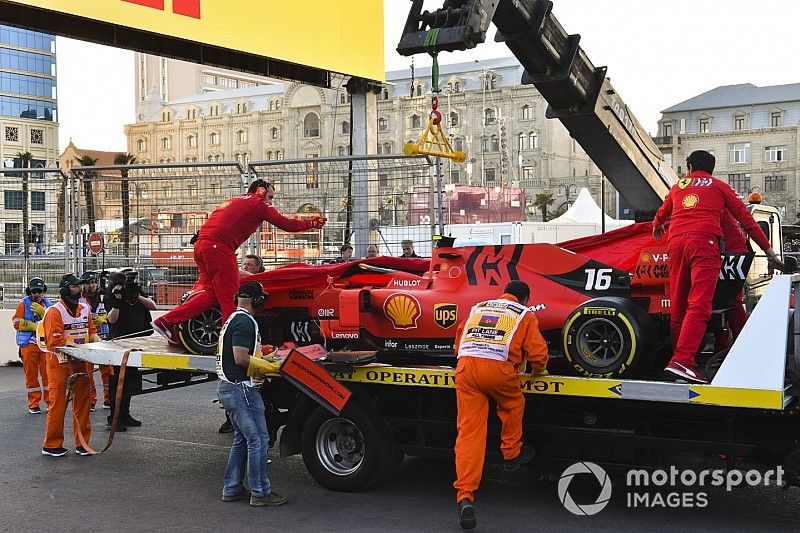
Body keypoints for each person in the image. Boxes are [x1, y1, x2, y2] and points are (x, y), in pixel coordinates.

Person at [652, 150, 784, 383]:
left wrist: (657, 225)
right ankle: (682, 361)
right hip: (705, 245)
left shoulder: (679, 186)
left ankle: (679, 360)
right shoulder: (719, 186)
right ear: (712, 169)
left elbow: (662, 213)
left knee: (678, 306)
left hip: (676, 245)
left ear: (690, 167)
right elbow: (746, 220)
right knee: (701, 305)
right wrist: (769, 252)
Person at [153, 179, 326, 344]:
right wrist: (312, 223)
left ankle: (166, 321)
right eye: (271, 197)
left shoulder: (233, 200)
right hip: (219, 249)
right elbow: (287, 224)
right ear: (261, 191)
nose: (271, 202)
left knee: (211, 294)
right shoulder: (258, 203)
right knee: (231, 298)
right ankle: (231, 342)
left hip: (201, 247)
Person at [452, 280, 549, 530]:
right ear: (525, 298)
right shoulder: (525, 314)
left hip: (466, 368)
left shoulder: (479, 307)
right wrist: (539, 369)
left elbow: (458, 340)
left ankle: (465, 495)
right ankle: (512, 453)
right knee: (513, 403)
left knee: (469, 434)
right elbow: (538, 355)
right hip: (498, 369)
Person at [217, 282, 287, 507]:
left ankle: (232, 488)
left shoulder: (232, 318)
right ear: (257, 300)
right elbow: (240, 357)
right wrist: (268, 367)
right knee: (258, 439)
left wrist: (261, 359)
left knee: (241, 439)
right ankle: (260, 492)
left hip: (231, 387)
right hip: (242, 389)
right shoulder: (246, 322)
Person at [40, 274, 100, 457]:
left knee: (83, 403)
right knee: (58, 404)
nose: (79, 290)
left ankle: (82, 444)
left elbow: (91, 332)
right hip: (61, 365)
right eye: (75, 287)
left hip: (82, 362)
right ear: (65, 290)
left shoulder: (84, 309)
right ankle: (51, 444)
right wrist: (80, 349)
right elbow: (55, 342)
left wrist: (101, 344)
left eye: (79, 286)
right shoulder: (54, 311)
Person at [106, 270, 157, 430]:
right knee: (119, 382)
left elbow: (153, 306)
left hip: (135, 342)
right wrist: (118, 300)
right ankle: (114, 418)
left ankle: (125, 414)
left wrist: (137, 296)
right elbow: (111, 319)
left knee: (131, 382)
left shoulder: (135, 292)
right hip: (119, 344)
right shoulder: (113, 295)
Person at [12, 277, 52, 414]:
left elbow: (54, 323)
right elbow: (16, 323)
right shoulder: (23, 304)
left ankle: (50, 402)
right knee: (31, 376)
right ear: (29, 292)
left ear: (43, 291)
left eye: (39, 291)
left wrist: (44, 314)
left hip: (45, 345)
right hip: (29, 345)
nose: (36, 294)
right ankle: (33, 403)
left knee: (48, 375)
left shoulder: (49, 305)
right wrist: (36, 326)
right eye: (33, 291)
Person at [79, 271, 113, 410]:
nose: (91, 285)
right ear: (83, 285)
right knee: (88, 373)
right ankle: (91, 400)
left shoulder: (105, 296)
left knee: (108, 372)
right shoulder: (79, 299)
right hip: (87, 340)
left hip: (104, 339)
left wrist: (105, 318)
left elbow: (114, 311)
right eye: (88, 283)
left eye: (93, 282)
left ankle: (109, 399)